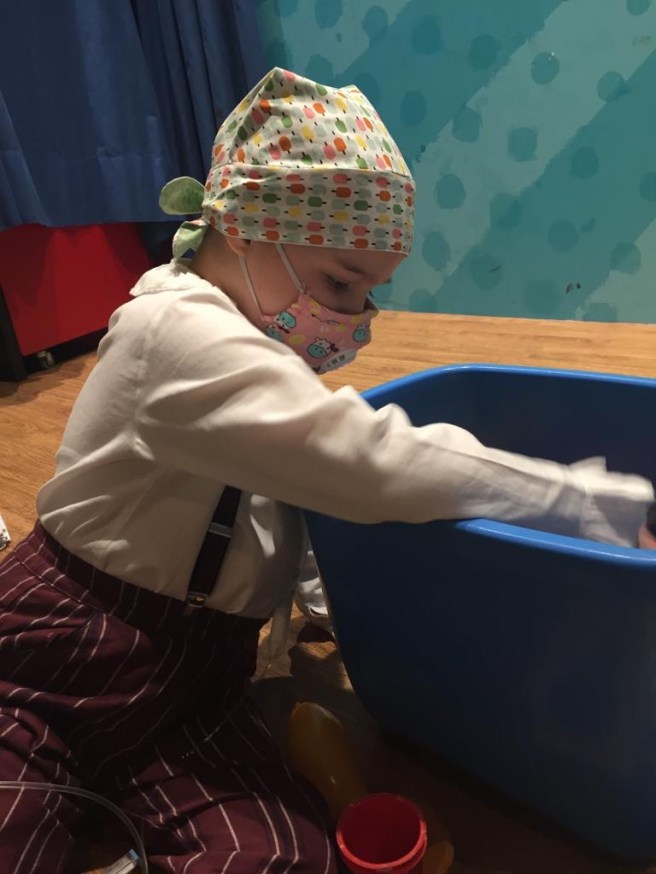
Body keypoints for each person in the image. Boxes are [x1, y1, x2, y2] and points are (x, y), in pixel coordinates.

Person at [0, 67, 653, 874]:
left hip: (198, 683)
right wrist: (590, 503)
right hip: (56, 651)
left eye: (368, 294)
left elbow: (293, 509)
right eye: (340, 282)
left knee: (277, 858)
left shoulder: (263, 356)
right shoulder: (170, 334)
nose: (352, 319)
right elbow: (360, 461)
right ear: (243, 228)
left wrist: (333, 604)